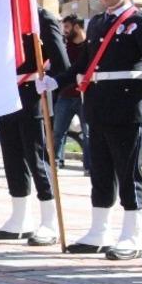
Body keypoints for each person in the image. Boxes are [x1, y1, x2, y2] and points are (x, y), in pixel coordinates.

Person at [36, 0, 142, 260]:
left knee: (128, 171)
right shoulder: (97, 23)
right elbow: (85, 64)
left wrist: (138, 81)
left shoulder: (141, 21)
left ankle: (132, 234)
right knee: (101, 171)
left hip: (127, 107)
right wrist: (59, 80)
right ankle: (99, 230)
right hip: (98, 106)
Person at [0, 7, 69, 246]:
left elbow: (62, 62)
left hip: (33, 96)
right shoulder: (1, 16)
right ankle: (20, 216)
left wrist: (48, 80)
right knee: (12, 157)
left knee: (38, 158)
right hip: (7, 95)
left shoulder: (41, 17)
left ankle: (48, 220)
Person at [52, 14, 90, 173]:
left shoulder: (90, 46)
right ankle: (56, 161)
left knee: (88, 132)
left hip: (84, 96)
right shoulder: (64, 46)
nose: (64, 31)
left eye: (67, 27)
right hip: (65, 95)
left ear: (76, 27)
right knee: (58, 131)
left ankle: (89, 166)